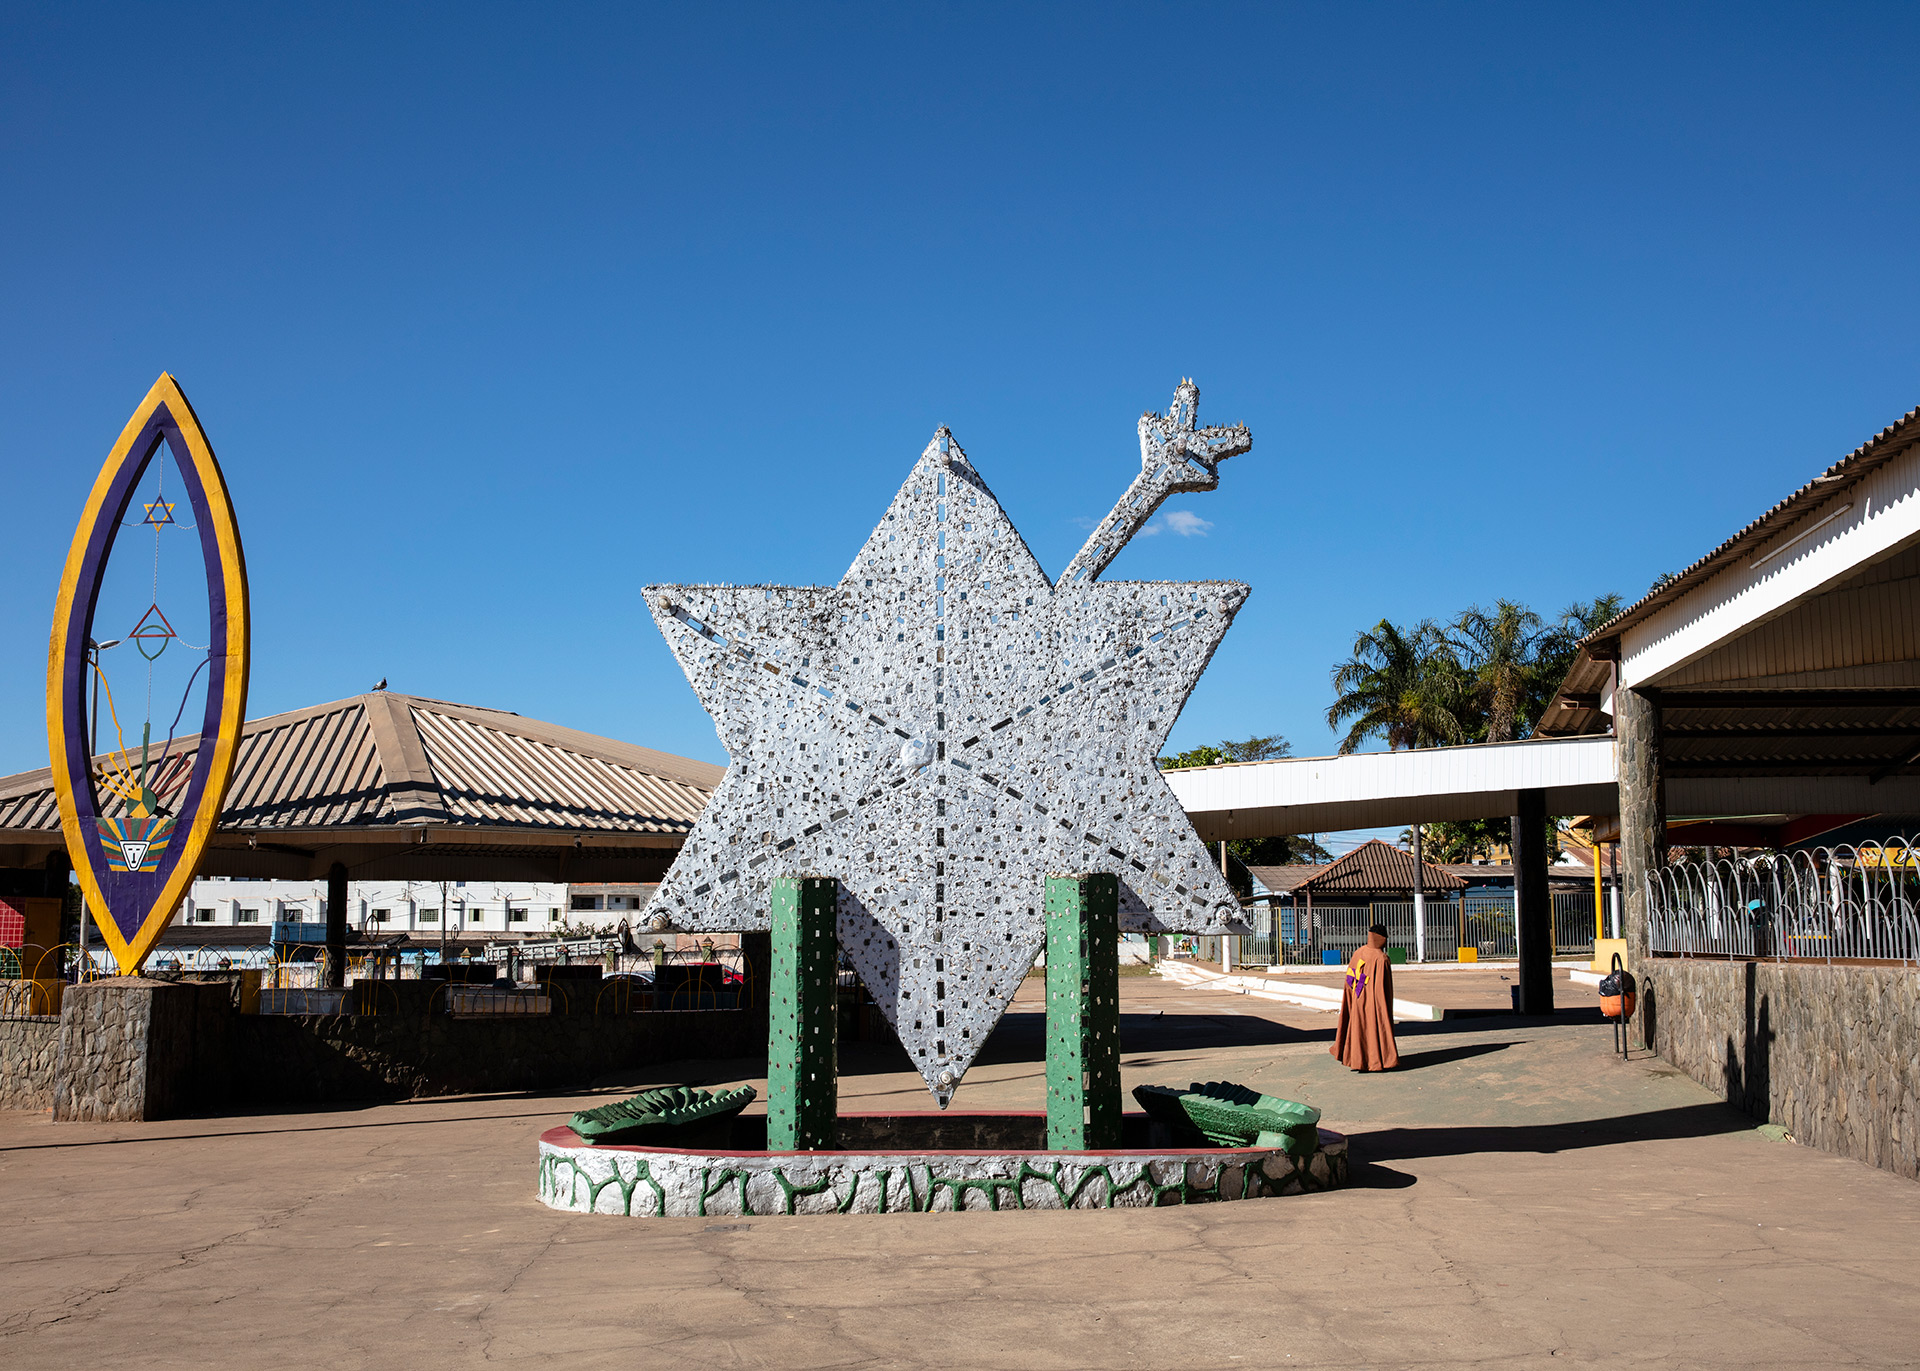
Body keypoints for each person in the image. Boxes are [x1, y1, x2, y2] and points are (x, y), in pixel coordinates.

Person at [1330, 923, 1399, 1071]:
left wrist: (1356, 993)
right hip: (1373, 1003)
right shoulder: (1382, 959)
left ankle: (1356, 1060)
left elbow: (1349, 978)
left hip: (1357, 998)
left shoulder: (1359, 952)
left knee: (1358, 1029)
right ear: (1383, 938)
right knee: (1374, 1028)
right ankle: (1376, 1060)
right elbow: (1384, 990)